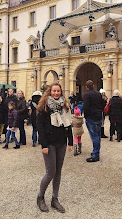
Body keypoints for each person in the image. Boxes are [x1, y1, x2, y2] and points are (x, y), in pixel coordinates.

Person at [36, 82, 73, 213]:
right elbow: (40, 127)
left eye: (58, 91)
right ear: (50, 92)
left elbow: (68, 124)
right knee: (50, 172)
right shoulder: (44, 107)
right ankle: (40, 197)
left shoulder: (65, 106)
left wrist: (71, 142)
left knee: (58, 172)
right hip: (49, 143)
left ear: (61, 92)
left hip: (61, 142)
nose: (56, 93)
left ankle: (54, 199)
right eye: (54, 91)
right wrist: (44, 145)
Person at [83, 80, 105, 162]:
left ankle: (96, 155)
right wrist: (100, 111)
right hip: (99, 116)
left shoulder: (86, 95)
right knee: (98, 136)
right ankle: (96, 152)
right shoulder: (98, 94)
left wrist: (86, 116)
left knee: (94, 137)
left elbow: (86, 107)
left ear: (86, 87)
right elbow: (103, 103)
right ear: (93, 86)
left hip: (91, 117)